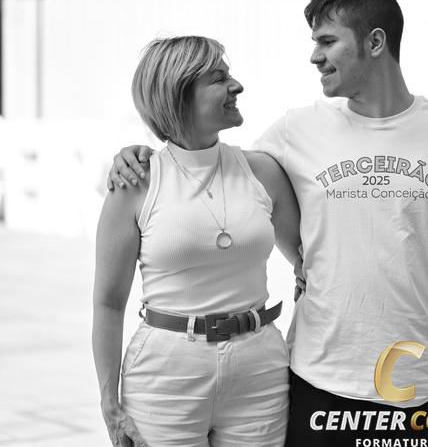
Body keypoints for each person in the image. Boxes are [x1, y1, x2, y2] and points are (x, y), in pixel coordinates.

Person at [108, 0, 428, 446]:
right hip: (321, 380)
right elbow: (203, 162)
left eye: (328, 42)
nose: (315, 56)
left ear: (375, 42)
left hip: (424, 381)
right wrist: (140, 154)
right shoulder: (294, 132)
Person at [93, 36, 300, 447]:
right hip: (165, 376)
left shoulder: (262, 172)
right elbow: (108, 302)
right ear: (178, 95)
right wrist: (109, 402)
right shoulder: (136, 183)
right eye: (219, 78)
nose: (236, 85)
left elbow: (309, 264)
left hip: (259, 371)